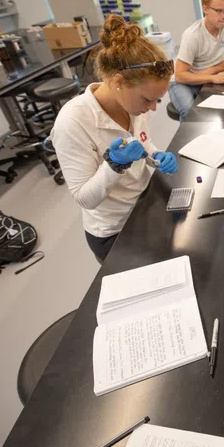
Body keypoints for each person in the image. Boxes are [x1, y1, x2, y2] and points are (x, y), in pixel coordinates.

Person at [52, 15, 179, 263]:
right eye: (147, 99)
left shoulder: (133, 104)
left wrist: (155, 156)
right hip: (114, 231)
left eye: (157, 100)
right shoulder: (73, 122)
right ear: (119, 82)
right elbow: (84, 199)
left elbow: (142, 144)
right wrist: (114, 166)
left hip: (145, 206)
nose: (153, 108)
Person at [169, 0, 224, 117]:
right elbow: (180, 75)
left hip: (204, 77)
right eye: (219, 11)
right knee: (191, 112)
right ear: (205, 9)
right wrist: (212, 78)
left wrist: (205, 75)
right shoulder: (192, 36)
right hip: (181, 83)